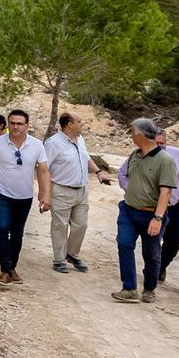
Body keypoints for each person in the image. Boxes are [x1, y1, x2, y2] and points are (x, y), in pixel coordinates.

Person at [0, 109, 50, 287]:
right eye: (12, 123)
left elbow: (42, 171)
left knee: (17, 233)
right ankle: (5, 270)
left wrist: (45, 194)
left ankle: (12, 268)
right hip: (2, 193)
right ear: (8, 124)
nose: (15, 126)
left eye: (20, 123)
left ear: (27, 125)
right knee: (2, 228)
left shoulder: (36, 145)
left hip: (24, 196)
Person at [112, 118, 178, 303]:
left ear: (140, 135)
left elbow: (166, 192)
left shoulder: (165, 160)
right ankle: (129, 288)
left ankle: (149, 288)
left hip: (151, 214)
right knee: (124, 244)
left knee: (151, 253)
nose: (131, 136)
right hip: (128, 210)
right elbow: (126, 175)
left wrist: (157, 218)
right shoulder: (134, 154)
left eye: (132, 132)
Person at [120, 136, 179, 285]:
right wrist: (131, 189)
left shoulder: (178, 155)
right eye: (157, 143)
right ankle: (151, 274)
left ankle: (161, 265)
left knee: (177, 237)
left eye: (163, 143)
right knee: (151, 245)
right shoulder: (139, 154)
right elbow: (123, 173)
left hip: (174, 207)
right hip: (150, 209)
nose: (160, 146)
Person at [43, 113, 113, 273]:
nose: (83, 123)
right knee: (59, 225)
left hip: (81, 190)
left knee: (81, 225)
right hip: (61, 190)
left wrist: (99, 173)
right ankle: (59, 259)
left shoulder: (80, 139)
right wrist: (45, 193)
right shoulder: (53, 143)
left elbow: (86, 158)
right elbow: (43, 168)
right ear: (69, 125)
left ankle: (72, 254)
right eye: (79, 121)